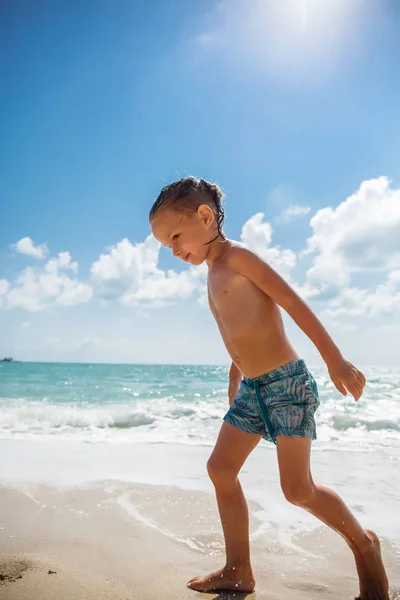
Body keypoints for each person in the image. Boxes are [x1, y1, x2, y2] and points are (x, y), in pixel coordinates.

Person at [149, 176, 389, 599]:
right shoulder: (213, 272)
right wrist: (235, 380)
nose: (173, 250)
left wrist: (334, 359)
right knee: (220, 469)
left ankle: (364, 545)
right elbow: (238, 334)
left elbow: (293, 303)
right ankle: (238, 570)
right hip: (253, 389)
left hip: (287, 385)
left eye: (174, 237)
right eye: (166, 244)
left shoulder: (240, 258)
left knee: (298, 490)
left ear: (205, 217)